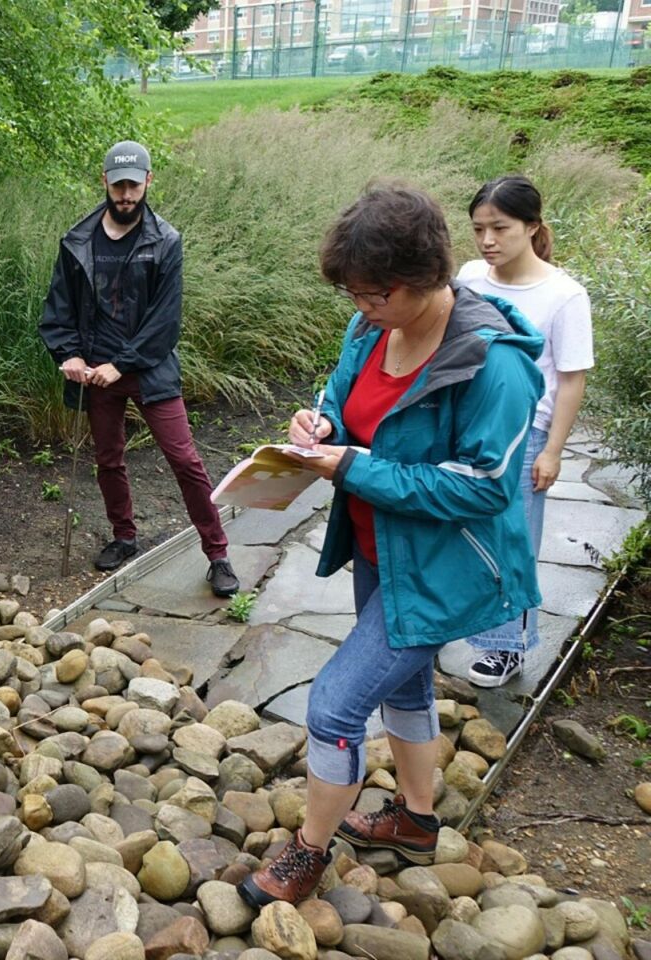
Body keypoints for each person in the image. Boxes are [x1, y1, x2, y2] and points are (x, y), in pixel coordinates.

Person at [239, 183, 543, 908]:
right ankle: (415, 820)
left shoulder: (492, 365)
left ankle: (309, 853)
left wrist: (350, 465)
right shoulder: (370, 330)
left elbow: (483, 489)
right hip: (382, 548)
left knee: (335, 707)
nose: (359, 309)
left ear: (414, 283)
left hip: (445, 567)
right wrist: (317, 428)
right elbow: (340, 399)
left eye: (370, 295)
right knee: (404, 685)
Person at [39, 139, 239, 597]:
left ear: (149, 181)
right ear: (105, 182)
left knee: (184, 460)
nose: (126, 194)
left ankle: (218, 553)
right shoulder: (76, 241)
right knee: (108, 459)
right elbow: (58, 309)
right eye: (118, 185)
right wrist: (68, 354)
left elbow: (166, 323)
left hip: (148, 369)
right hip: (95, 373)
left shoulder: (165, 241)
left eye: (134, 185)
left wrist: (121, 364)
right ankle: (124, 537)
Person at [456, 175, 593, 687]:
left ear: (532, 227)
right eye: (478, 229)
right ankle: (464, 620)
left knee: (513, 536)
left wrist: (553, 451)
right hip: (468, 423)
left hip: (525, 433)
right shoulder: (470, 278)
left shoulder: (563, 294)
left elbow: (572, 377)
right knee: (463, 530)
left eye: (500, 228)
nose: (488, 240)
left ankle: (507, 645)